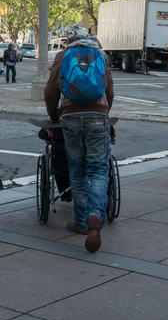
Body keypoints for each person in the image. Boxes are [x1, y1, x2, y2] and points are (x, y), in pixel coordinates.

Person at [45, 34, 115, 252]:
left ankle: (83, 222)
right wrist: (104, 112)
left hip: (71, 117)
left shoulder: (63, 55)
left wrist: (54, 116)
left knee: (76, 171)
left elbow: (50, 92)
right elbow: (109, 90)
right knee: (98, 170)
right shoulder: (101, 55)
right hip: (97, 116)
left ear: (70, 42)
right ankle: (96, 214)